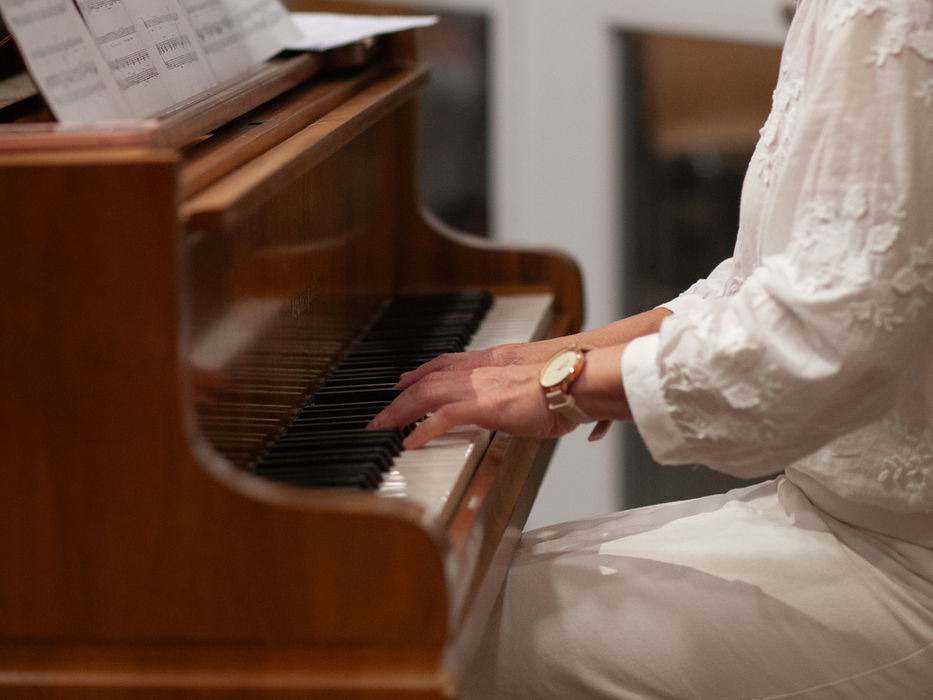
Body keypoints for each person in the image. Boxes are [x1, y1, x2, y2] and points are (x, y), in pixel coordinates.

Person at [369, 0, 933, 696]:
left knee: (417, 628)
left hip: (903, 566)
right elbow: (779, 274)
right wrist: (562, 354)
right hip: (839, 519)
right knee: (459, 586)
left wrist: (566, 386)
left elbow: (831, 342)